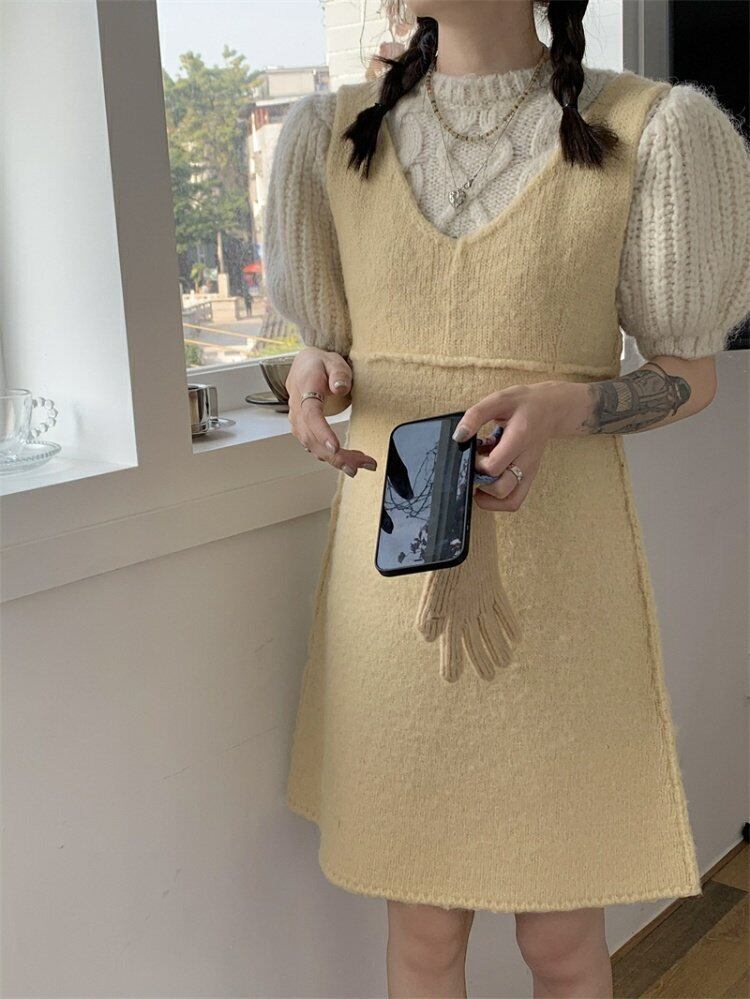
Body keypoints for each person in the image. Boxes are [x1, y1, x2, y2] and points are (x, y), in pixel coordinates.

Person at [264, 2, 750, 996]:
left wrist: (575, 403)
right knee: (423, 931)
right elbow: (328, 346)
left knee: (563, 940)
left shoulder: (651, 129)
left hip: (563, 586)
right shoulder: (329, 135)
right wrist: (311, 372)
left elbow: (688, 374)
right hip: (395, 577)